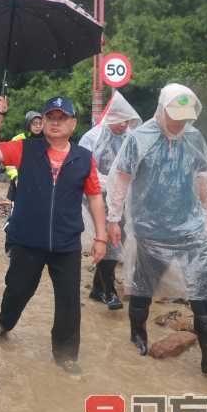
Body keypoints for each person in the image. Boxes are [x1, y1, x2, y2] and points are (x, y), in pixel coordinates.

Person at [106, 83, 207, 375]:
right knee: (143, 286)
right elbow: (120, 180)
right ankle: (137, 333)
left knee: (206, 290)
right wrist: (113, 219)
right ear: (161, 109)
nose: (180, 122)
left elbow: (203, 178)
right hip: (150, 228)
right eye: (175, 115)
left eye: (186, 116)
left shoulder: (193, 138)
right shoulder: (140, 139)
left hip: (191, 229)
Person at [0, 96, 107, 374]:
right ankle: (5, 322)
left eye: (62, 117)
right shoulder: (26, 149)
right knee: (18, 289)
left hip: (66, 242)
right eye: (50, 117)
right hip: (27, 239)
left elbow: (95, 197)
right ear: (42, 122)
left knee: (68, 300)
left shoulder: (83, 158)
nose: (55, 122)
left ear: (73, 123)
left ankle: (65, 354)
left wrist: (100, 237)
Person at [78, 91, 141, 310]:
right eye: (120, 121)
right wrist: (104, 182)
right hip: (96, 198)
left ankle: (97, 289)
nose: (124, 125)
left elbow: (137, 167)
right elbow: (82, 167)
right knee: (106, 240)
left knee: (116, 241)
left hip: (122, 200)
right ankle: (110, 290)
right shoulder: (92, 137)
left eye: (127, 121)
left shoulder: (131, 138)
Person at [5, 110, 43, 201]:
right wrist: (15, 176)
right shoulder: (18, 140)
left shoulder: (47, 140)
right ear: (28, 125)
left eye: (40, 123)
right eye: (34, 123)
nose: (38, 126)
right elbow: (9, 161)